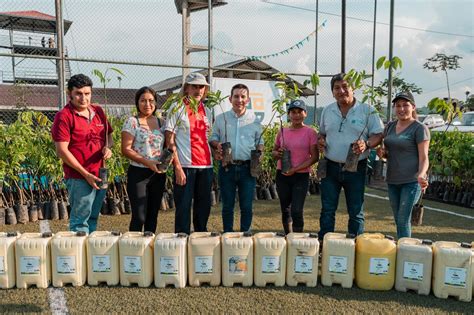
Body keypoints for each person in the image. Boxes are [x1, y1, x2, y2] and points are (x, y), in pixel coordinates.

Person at [318, 73, 384, 239]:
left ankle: (355, 247)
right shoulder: (327, 110)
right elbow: (322, 134)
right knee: (327, 209)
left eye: (345, 86)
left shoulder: (368, 111)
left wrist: (367, 144)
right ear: (332, 92)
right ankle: (325, 245)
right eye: (337, 88)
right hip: (330, 166)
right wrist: (321, 141)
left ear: (353, 89)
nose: (341, 91)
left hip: (356, 167)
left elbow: (378, 135)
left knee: (356, 211)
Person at [51, 74, 113, 233]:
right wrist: (86, 174)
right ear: (69, 93)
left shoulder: (98, 111)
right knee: (80, 221)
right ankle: (78, 256)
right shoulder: (64, 116)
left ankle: (88, 254)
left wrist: (108, 148)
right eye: (78, 93)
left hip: (100, 174)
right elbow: (61, 151)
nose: (83, 98)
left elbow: (108, 136)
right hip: (79, 177)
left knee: (93, 217)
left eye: (87, 93)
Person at [210, 83, 263, 233]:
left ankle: (246, 234)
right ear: (230, 99)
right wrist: (217, 144)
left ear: (248, 100)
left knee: (246, 206)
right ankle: (228, 234)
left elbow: (260, 141)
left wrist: (260, 153)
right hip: (227, 167)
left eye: (243, 97)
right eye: (236, 96)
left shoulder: (254, 120)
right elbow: (213, 137)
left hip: (248, 168)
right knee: (227, 205)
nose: (239, 99)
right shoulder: (221, 118)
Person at [165, 72, 213, 235]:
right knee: (183, 207)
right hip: (185, 165)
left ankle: (200, 241)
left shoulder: (206, 110)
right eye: (195, 86)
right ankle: (181, 240)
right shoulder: (177, 107)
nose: (198, 90)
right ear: (186, 88)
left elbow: (206, 138)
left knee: (203, 207)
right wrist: (177, 167)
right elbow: (169, 139)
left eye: (202, 87)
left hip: (206, 166)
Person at [377, 91, 429, 238]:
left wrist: (421, 174)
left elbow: (424, 157)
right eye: (398, 105)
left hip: (412, 181)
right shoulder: (390, 127)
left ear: (413, 107)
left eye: (405, 105)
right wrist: (383, 154)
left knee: (403, 219)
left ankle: (405, 253)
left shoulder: (419, 128)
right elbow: (389, 152)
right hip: (392, 180)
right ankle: (402, 249)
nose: (401, 109)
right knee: (398, 219)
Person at [121, 87, 167, 233]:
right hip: (138, 174)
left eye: (151, 100)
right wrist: (148, 162)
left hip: (158, 175)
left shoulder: (162, 123)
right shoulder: (132, 122)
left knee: (152, 215)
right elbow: (126, 149)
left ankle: (148, 250)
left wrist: (167, 159)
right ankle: (133, 250)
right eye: (143, 101)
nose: (147, 104)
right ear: (137, 103)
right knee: (139, 216)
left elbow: (168, 146)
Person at [272, 99, 318, 234]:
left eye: (299, 112)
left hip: (300, 176)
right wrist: (278, 153)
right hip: (282, 174)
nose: (296, 115)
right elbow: (274, 152)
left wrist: (295, 169)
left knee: (297, 210)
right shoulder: (282, 131)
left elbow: (314, 157)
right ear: (289, 114)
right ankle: (288, 237)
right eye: (293, 112)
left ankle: (297, 239)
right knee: (285, 209)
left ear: (305, 113)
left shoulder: (310, 132)